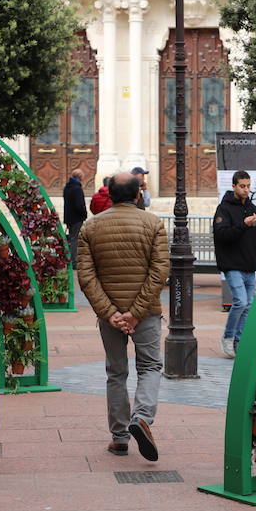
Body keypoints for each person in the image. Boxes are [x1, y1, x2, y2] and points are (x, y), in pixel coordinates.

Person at [77, 172, 170, 461]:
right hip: (146, 315)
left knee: (116, 373)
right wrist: (137, 311)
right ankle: (141, 417)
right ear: (137, 195)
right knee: (151, 366)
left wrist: (112, 313)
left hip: (110, 317)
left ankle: (119, 438)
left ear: (110, 194)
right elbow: (160, 272)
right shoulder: (154, 224)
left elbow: (86, 276)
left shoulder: (90, 228)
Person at [213, 170, 256, 358]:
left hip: (249, 265)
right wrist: (243, 225)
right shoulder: (224, 209)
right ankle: (228, 337)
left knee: (248, 306)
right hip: (232, 264)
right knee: (240, 301)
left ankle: (239, 341)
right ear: (234, 186)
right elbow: (222, 235)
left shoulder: (253, 208)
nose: (246, 190)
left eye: (248, 186)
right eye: (242, 186)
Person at [63, 169, 87, 268]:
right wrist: (84, 214)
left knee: (73, 238)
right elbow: (79, 205)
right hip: (76, 218)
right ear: (80, 177)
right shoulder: (77, 188)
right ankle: (74, 262)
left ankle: (71, 260)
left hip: (69, 217)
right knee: (75, 239)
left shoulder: (67, 187)